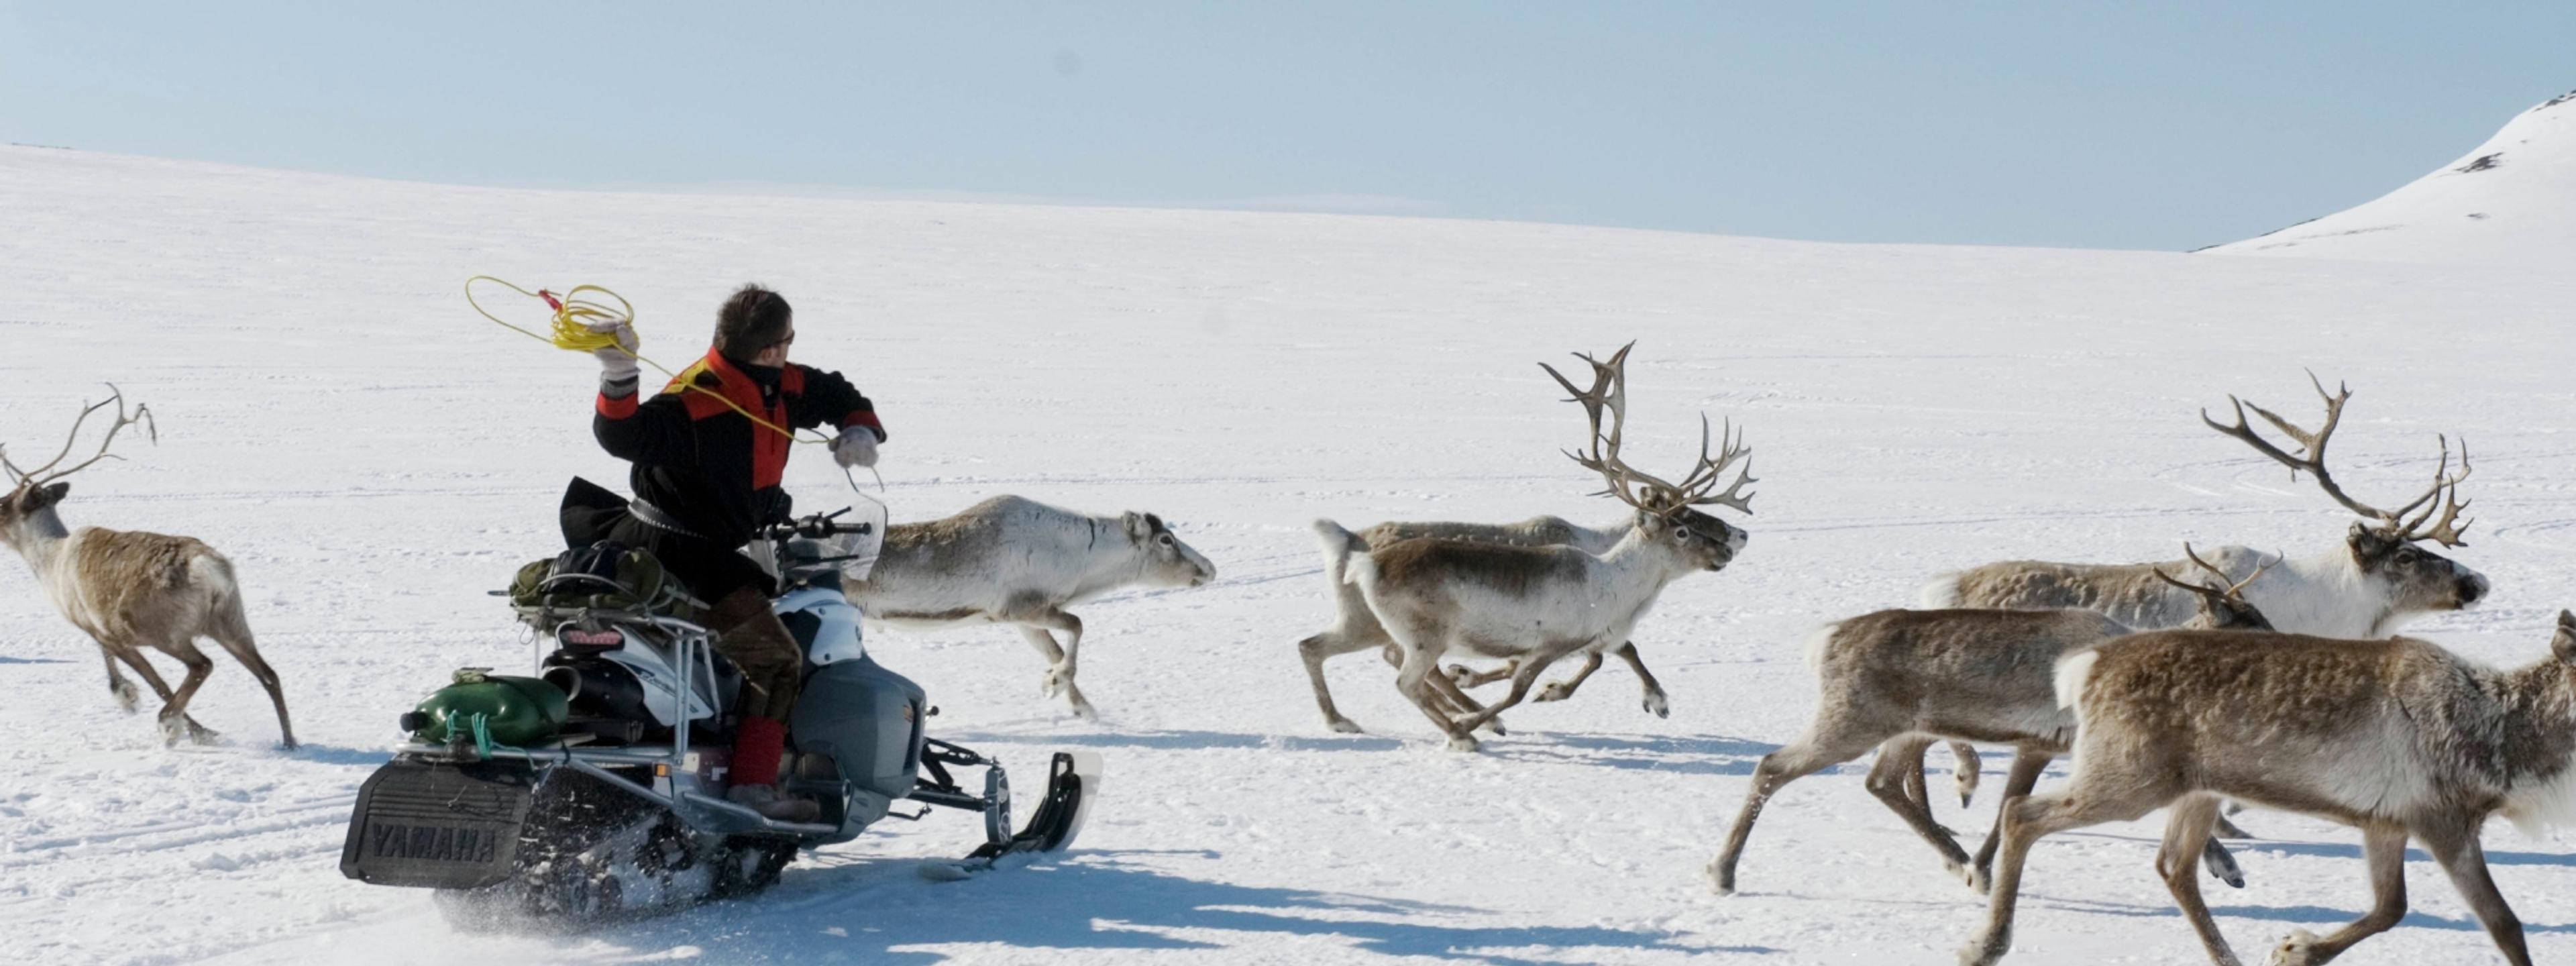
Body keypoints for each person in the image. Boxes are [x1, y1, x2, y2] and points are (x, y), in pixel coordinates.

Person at [588, 284, 884, 821]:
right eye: (789, 342)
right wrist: (618, 375)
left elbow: (835, 392)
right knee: (776, 663)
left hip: (708, 545)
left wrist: (859, 427)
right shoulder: (701, 398)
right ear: (771, 348)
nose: (791, 351)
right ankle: (753, 788)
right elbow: (624, 435)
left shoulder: (782, 383)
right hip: (680, 553)